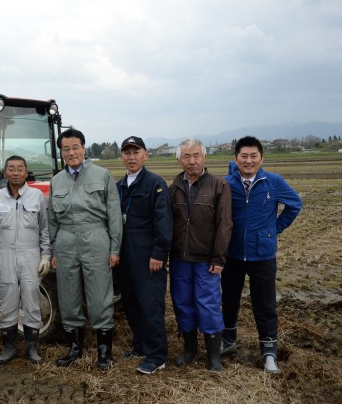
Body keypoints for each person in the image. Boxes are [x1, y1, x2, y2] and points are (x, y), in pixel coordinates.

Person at [221, 136, 302, 374]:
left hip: (263, 256)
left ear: (261, 159)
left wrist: (273, 229)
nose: (248, 161)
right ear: (236, 159)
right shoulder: (226, 184)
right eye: (244, 156)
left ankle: (269, 353)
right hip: (233, 254)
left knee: (265, 304)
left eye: (253, 156)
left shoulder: (274, 182)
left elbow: (295, 204)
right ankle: (228, 340)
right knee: (229, 299)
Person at [47, 128, 122, 371]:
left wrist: (114, 248)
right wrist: (53, 251)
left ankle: (104, 351)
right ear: (61, 152)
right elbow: (51, 220)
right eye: (66, 149)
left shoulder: (102, 175)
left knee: (100, 294)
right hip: (66, 241)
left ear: (84, 148)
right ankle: (75, 348)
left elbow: (114, 215)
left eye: (75, 147)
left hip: (96, 237)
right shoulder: (56, 180)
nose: (71, 153)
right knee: (68, 296)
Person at [168, 138, 232, 371]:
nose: (192, 161)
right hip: (179, 259)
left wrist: (219, 257)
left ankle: (213, 356)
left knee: (209, 305)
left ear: (204, 158)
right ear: (179, 160)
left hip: (206, 261)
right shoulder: (173, 188)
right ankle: (190, 350)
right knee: (183, 304)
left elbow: (225, 224)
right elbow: (167, 224)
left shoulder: (218, 186)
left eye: (196, 156)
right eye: (187, 156)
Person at [0, 155, 51, 365]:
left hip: (31, 255)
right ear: (5, 172)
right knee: (7, 302)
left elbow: (45, 229)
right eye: (11, 169)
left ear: (26, 171)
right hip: (5, 256)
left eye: (20, 169)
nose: (16, 173)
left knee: (32, 302)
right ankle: (8, 348)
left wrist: (46, 255)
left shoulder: (37, 197)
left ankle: (32, 349)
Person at [116, 136, 173, 375]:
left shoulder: (155, 184)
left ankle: (157, 355)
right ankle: (139, 345)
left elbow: (164, 222)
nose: (131, 157)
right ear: (122, 156)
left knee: (150, 306)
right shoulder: (119, 186)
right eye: (127, 152)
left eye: (135, 152)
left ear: (145, 154)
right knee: (131, 304)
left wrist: (159, 253)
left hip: (148, 256)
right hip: (125, 257)